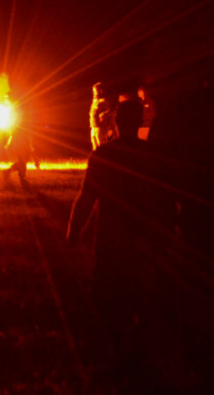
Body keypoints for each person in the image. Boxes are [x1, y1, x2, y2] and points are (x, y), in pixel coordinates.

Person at [66, 100, 178, 389]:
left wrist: (74, 232)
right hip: (144, 240)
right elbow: (167, 199)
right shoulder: (153, 154)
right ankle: (136, 359)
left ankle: (117, 357)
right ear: (142, 121)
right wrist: (166, 232)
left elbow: (87, 197)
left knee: (107, 297)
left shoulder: (104, 154)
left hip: (110, 239)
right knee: (141, 297)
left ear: (115, 123)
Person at [90, 82, 114, 150]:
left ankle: (104, 159)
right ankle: (96, 159)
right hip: (94, 126)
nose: (94, 92)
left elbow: (111, 111)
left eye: (95, 91)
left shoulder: (104, 101)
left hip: (101, 128)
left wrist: (104, 115)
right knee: (95, 146)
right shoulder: (95, 101)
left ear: (101, 90)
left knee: (102, 145)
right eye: (93, 91)